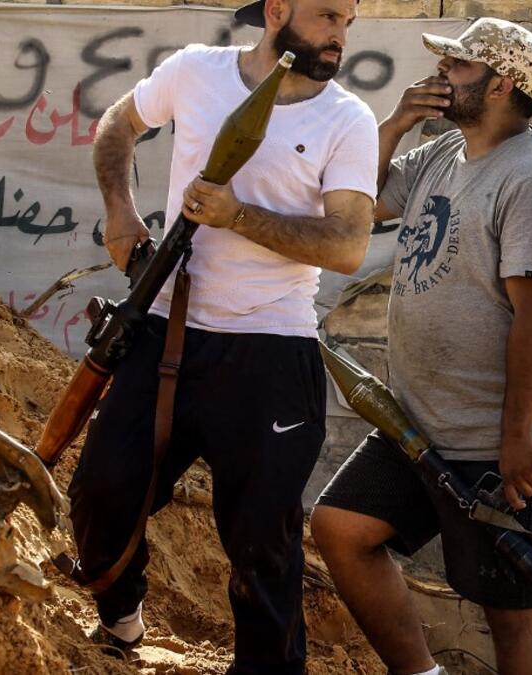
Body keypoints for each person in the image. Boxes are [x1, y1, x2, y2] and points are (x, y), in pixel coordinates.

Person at [68, 0, 377, 671]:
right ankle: (121, 620)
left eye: (349, 23)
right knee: (101, 490)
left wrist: (238, 215)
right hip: (167, 330)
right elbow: (119, 123)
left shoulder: (347, 119)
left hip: (272, 352)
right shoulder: (195, 71)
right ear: (276, 11)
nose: (340, 35)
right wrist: (119, 210)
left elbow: (349, 245)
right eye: (329, 15)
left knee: (261, 543)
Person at [309, 18, 532, 675]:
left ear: (502, 85)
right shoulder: (445, 154)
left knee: (511, 609)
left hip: (504, 440)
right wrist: (397, 122)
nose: (442, 76)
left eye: (459, 67)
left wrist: (518, 436)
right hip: (419, 425)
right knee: (342, 529)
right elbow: (358, 201)